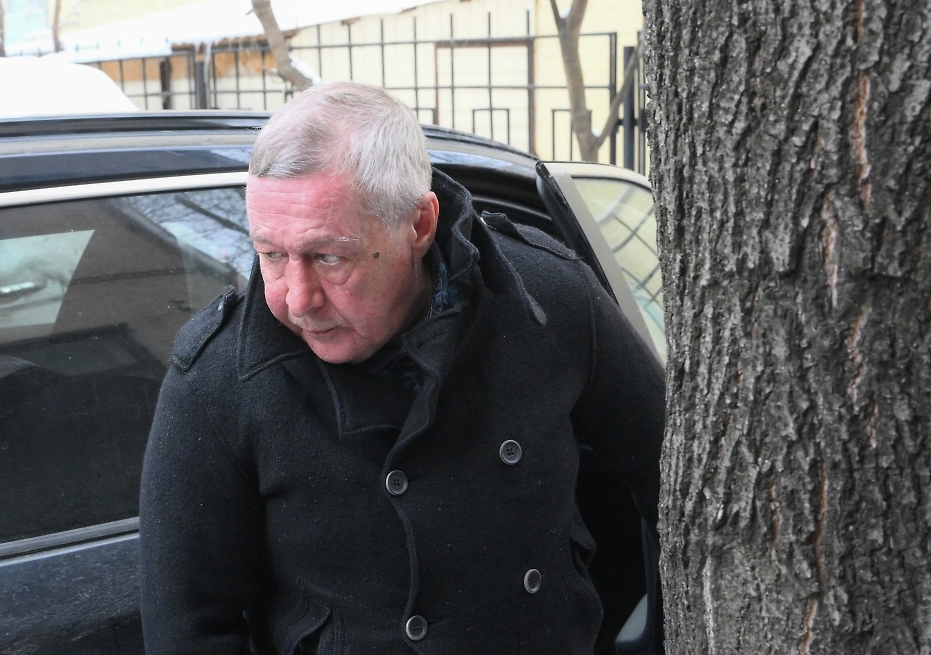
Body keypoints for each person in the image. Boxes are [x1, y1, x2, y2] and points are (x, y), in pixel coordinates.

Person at [139, 81, 665, 654]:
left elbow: (673, 482)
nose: (297, 298)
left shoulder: (546, 299)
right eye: (271, 254)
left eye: (328, 257)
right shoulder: (219, 377)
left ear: (418, 226)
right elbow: (187, 629)